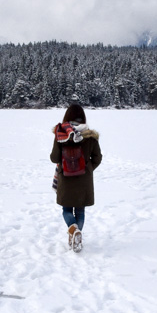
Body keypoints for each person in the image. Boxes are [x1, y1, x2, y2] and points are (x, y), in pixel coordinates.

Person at [50, 104, 102, 251]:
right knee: (80, 211)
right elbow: (97, 158)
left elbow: (54, 158)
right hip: (84, 180)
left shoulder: (61, 134)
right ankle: (76, 234)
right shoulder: (90, 136)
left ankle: (73, 231)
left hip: (65, 179)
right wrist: (88, 168)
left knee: (66, 210)